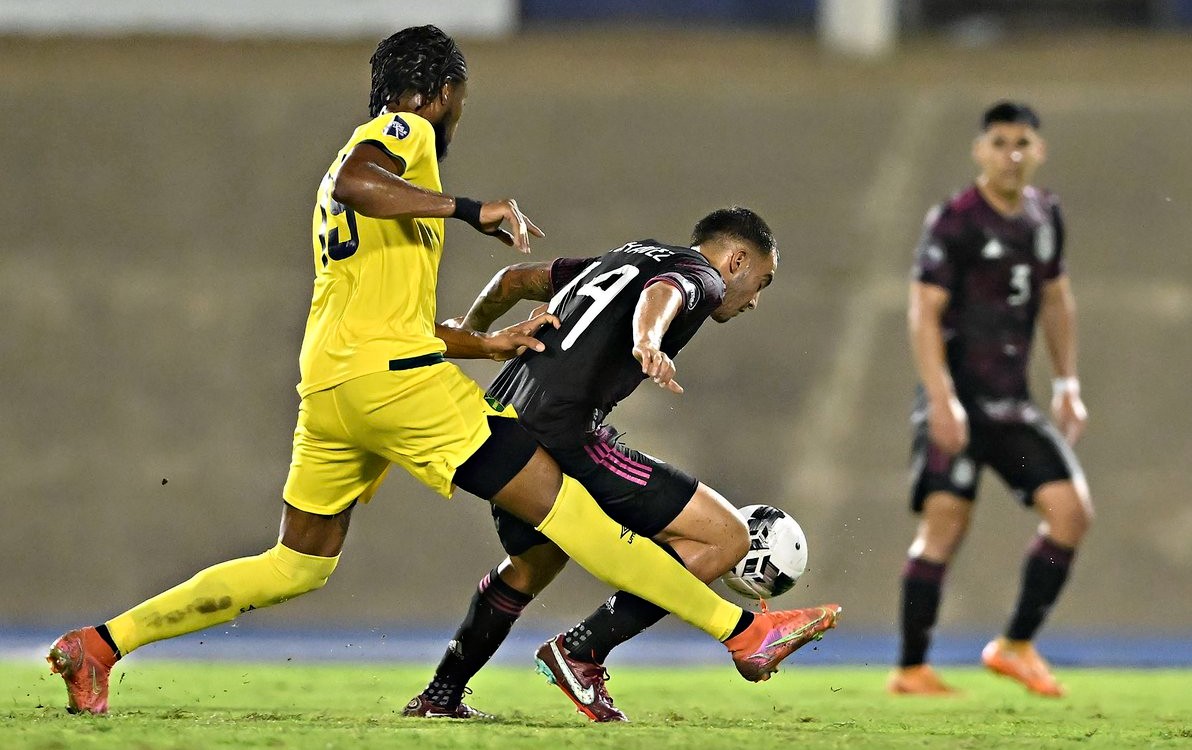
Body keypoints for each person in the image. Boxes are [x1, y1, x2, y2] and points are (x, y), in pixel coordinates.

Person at [47, 25, 840, 716]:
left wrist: (486, 345)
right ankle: (746, 631)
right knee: (581, 521)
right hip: (397, 386)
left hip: (334, 385)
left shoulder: (395, 199)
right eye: (459, 101)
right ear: (441, 90)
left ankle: (102, 644)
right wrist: (471, 208)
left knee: (294, 566)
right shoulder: (405, 136)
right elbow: (358, 181)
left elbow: (392, 314)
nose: (457, 116)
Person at [404, 207, 841, 722]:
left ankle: (440, 695)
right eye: (761, 281)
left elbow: (513, 280)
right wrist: (647, 340)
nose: (757, 299)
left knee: (533, 563)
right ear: (737, 259)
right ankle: (581, 651)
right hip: (564, 431)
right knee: (726, 538)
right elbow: (668, 293)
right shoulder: (703, 276)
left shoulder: (623, 257)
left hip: (502, 423)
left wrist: (472, 331)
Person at [887, 101, 1093, 698]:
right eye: (1000, 142)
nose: (1012, 154)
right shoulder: (955, 221)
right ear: (980, 151)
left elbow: (1056, 298)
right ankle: (911, 667)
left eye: (1023, 142)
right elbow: (923, 312)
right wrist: (941, 398)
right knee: (945, 524)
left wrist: (1068, 383)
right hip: (957, 399)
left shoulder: (1044, 214)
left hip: (1010, 402)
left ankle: (1015, 646)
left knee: (1071, 514)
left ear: (1039, 150)